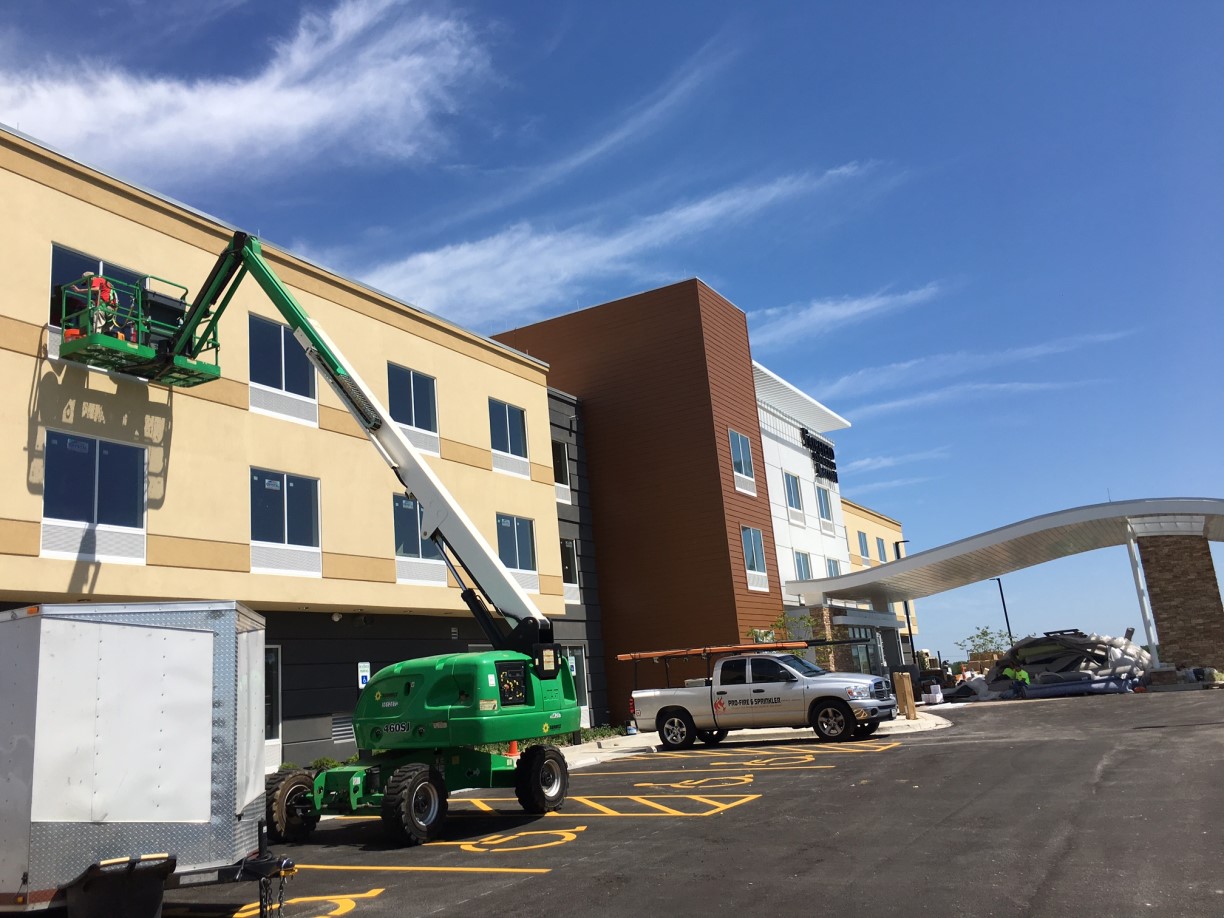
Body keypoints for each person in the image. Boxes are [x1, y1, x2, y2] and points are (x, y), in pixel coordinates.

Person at [71, 272, 118, 336]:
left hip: (103, 307)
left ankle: (96, 336)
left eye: (87, 282)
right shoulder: (106, 282)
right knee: (104, 329)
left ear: (90, 278)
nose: (88, 284)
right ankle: (102, 336)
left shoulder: (96, 279)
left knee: (97, 325)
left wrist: (79, 290)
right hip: (111, 309)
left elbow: (95, 289)